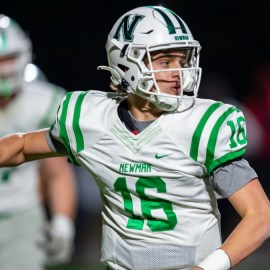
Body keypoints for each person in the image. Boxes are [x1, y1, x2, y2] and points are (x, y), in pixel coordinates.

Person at [0, 6, 269, 270]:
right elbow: (22, 146)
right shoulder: (91, 121)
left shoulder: (202, 127)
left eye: (182, 60)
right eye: (165, 62)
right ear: (127, 63)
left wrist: (208, 268)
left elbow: (261, 216)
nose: (178, 72)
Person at [0, 14, 77, 270]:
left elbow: (56, 172)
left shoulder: (43, 102)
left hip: (21, 218)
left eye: (8, 58)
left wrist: (62, 223)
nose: (3, 69)